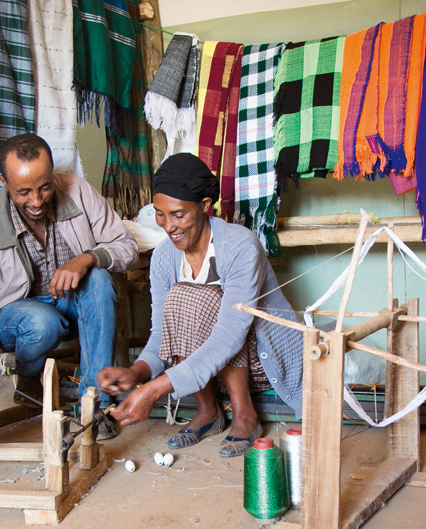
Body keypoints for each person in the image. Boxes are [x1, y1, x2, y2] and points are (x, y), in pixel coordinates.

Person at [97, 153, 303, 457]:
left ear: (206, 206)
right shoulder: (164, 257)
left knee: (197, 297)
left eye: (179, 214)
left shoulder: (240, 246)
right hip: (208, 372)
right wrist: (136, 374)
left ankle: (244, 413)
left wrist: (153, 390)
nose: (169, 226)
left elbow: (227, 337)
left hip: (264, 360)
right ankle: (208, 411)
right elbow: (161, 335)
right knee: (179, 299)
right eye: (160, 214)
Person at [0, 133, 138, 438]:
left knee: (100, 279)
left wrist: (88, 258)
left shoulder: (79, 192)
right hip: (17, 318)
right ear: (3, 182)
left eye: (45, 187)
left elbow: (126, 246)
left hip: (72, 305)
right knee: (41, 322)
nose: (36, 201)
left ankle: (94, 403)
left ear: (53, 174)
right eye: (23, 192)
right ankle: (28, 378)